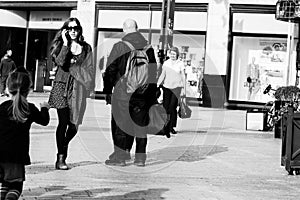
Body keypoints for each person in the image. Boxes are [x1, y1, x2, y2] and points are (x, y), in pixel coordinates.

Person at [103, 19, 158, 167]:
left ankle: (120, 157)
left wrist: (108, 91)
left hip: (122, 92)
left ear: (124, 29)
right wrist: (151, 95)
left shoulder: (120, 46)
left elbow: (111, 70)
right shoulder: (148, 48)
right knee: (140, 125)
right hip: (142, 94)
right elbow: (153, 72)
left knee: (120, 124)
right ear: (137, 29)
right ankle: (140, 158)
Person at [48, 17, 95, 170]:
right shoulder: (59, 45)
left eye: (76, 28)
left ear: (79, 30)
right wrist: (66, 44)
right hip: (61, 87)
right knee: (63, 123)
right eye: (70, 28)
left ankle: (63, 143)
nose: (73, 31)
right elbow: (61, 62)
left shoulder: (86, 48)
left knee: (73, 125)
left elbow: (90, 69)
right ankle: (61, 157)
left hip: (78, 89)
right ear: (65, 30)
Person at [0, 70, 50, 200]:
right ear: (28, 90)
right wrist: (45, 108)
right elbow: (44, 121)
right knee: (15, 187)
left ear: (8, 89)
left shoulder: (2, 107)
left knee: (5, 184)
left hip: (0, 154)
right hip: (17, 156)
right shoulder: (29, 108)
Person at [157, 46, 185, 135]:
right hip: (167, 87)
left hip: (176, 88)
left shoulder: (180, 63)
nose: (172, 56)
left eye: (174, 54)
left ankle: (172, 126)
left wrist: (184, 88)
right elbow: (163, 74)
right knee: (165, 107)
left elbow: (183, 76)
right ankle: (165, 126)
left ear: (177, 54)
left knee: (172, 107)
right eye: (171, 54)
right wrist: (157, 84)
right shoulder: (166, 63)